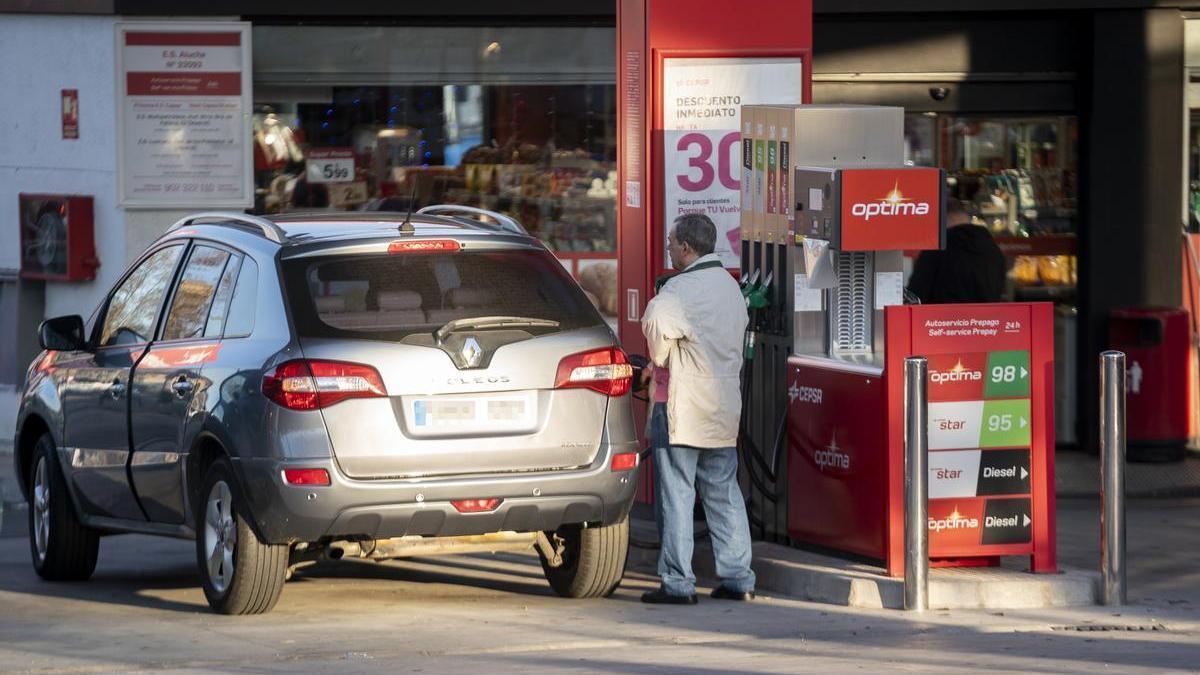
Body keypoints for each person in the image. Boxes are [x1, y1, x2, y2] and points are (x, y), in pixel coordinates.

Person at [639, 213, 755, 605]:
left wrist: (663, 354)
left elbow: (656, 335)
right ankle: (739, 577)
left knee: (677, 495)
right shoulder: (730, 287)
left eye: (671, 242)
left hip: (681, 408)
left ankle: (677, 582)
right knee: (723, 491)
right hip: (723, 407)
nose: (669, 248)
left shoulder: (677, 292)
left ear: (686, 248)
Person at [906, 198, 1006, 304]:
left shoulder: (938, 250)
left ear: (940, 218)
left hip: (941, 319)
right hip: (988, 319)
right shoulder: (993, 249)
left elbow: (915, 297)